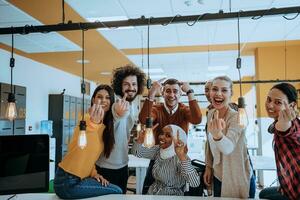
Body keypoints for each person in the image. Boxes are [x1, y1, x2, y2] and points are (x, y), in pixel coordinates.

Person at [54, 84, 122, 199]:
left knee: (116, 190)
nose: (103, 100)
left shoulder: (104, 127)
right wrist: (93, 124)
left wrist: (95, 174)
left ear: (111, 102)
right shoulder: (86, 119)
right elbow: (81, 147)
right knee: (117, 191)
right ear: (93, 100)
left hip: (80, 178)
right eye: (99, 97)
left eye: (108, 98)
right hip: (66, 181)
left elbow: (89, 156)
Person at [139, 78, 202, 193]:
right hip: (158, 158)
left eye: (175, 91)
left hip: (178, 159)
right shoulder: (157, 109)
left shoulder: (184, 110)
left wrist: (190, 92)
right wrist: (152, 93)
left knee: (176, 191)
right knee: (147, 191)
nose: (171, 94)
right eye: (168, 91)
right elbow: (144, 119)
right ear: (163, 93)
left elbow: (197, 119)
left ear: (180, 94)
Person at [95, 64, 146, 194]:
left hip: (122, 166)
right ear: (119, 86)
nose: (131, 88)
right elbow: (116, 112)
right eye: (126, 84)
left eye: (134, 84)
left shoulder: (131, 104)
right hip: (105, 167)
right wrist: (118, 113)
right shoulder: (117, 102)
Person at [203, 76, 255, 198]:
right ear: (210, 93)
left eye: (224, 90)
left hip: (237, 175)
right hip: (218, 175)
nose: (218, 93)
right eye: (214, 89)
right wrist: (208, 166)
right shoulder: (211, 113)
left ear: (231, 94)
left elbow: (228, 147)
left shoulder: (237, 117)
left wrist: (218, 135)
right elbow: (209, 144)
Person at [132, 124, 200, 195]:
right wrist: (140, 140)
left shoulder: (180, 158)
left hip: (172, 196)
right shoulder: (159, 150)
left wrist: (182, 157)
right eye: (162, 133)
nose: (161, 137)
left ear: (177, 140)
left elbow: (195, 183)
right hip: (153, 193)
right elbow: (137, 153)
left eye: (168, 136)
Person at [259, 83, 300, 200]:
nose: (270, 105)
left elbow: (284, 128)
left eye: (278, 102)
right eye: (268, 99)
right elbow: (274, 128)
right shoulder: (278, 123)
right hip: (288, 187)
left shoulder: (291, 125)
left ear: (291, 105)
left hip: (297, 191)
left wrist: (283, 123)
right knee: (264, 194)